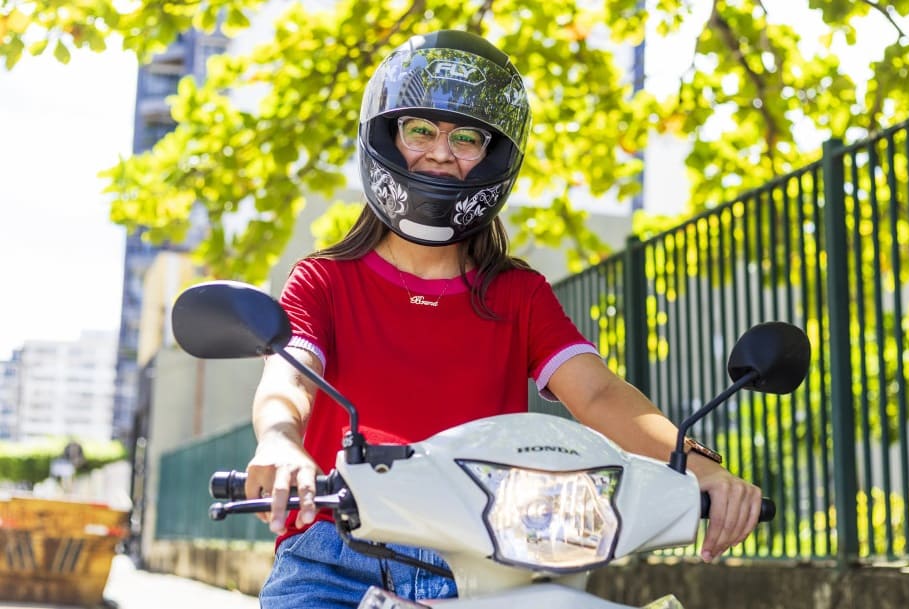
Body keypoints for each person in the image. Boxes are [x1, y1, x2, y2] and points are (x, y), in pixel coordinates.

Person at [246, 29, 764, 609]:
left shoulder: (517, 295)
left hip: (490, 562)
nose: (441, 152)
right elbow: (287, 379)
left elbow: (596, 393)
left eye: (466, 137)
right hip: (334, 560)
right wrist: (279, 440)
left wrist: (699, 467)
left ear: (491, 157)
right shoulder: (324, 280)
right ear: (388, 136)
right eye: (421, 129)